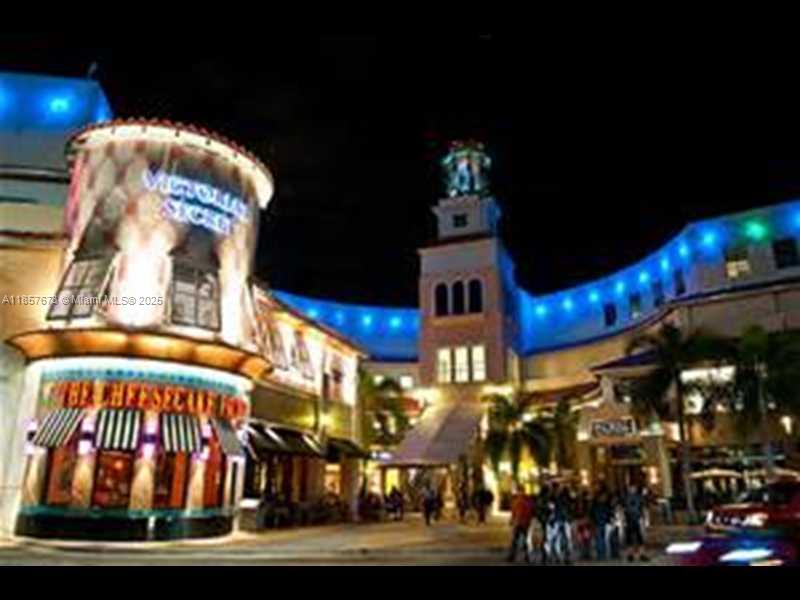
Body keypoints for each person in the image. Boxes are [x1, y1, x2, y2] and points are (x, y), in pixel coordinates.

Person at [507, 491, 534, 563]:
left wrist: (512, 521)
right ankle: (528, 557)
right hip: (525, 523)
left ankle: (512, 556)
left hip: (518, 523)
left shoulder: (516, 502)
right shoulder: (529, 502)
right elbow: (531, 513)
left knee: (515, 540)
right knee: (526, 540)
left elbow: (514, 513)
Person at [623, 483, 648, 562]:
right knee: (629, 539)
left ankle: (642, 554)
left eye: (634, 488)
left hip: (638, 520)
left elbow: (643, 508)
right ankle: (630, 555)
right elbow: (623, 508)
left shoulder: (639, 497)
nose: (633, 489)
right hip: (629, 520)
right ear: (629, 489)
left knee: (640, 538)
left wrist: (644, 519)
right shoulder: (625, 497)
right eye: (631, 488)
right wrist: (623, 520)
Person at [589, 484, 612, 560]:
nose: (604, 498)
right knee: (600, 539)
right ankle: (601, 554)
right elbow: (592, 514)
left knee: (602, 539)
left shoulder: (603, 505)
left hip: (602, 523)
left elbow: (608, 514)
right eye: (603, 497)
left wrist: (609, 520)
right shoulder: (597, 505)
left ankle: (602, 554)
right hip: (599, 523)